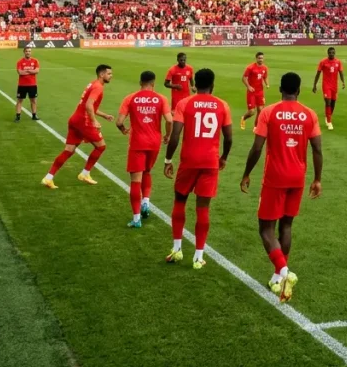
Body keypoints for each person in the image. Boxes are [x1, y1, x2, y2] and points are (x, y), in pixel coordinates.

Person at [240, 72, 323, 303]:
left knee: (266, 229)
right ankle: (278, 277)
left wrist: (246, 173)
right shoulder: (309, 114)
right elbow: (317, 149)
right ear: (298, 90)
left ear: (280, 89)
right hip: (298, 177)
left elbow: (257, 148)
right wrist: (317, 179)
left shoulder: (269, 112)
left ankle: (285, 272)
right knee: (286, 226)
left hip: (275, 177)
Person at [163, 68, 233, 270]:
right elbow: (228, 137)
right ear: (213, 84)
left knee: (180, 201)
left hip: (188, 161)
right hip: (210, 162)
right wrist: (224, 157)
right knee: (203, 208)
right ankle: (199, 256)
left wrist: (168, 159)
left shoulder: (185, 103)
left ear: (195, 85)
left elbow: (175, 135)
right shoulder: (222, 105)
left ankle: (176, 249)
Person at [41, 64, 114, 188]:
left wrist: (104, 115)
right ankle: (85, 174)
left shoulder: (92, 84)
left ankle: (48, 178)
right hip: (83, 122)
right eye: (109, 74)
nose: (111, 76)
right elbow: (89, 106)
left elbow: (89, 105)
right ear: (102, 74)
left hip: (75, 119)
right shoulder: (98, 87)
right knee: (101, 147)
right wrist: (94, 121)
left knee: (68, 150)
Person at [117, 71, 172, 228]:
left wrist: (123, 128)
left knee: (135, 180)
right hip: (154, 142)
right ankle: (146, 202)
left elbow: (119, 121)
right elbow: (169, 120)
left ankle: (136, 219)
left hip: (137, 143)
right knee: (147, 172)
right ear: (153, 83)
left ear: (140, 82)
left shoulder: (130, 98)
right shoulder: (161, 98)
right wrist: (167, 135)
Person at [312, 47, 345, 131]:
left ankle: (328, 115)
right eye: (330, 53)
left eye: (333, 53)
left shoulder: (338, 62)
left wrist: (343, 82)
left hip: (334, 85)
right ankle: (329, 122)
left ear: (335, 53)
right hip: (326, 85)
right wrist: (314, 85)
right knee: (328, 102)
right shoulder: (323, 62)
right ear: (327, 53)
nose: (331, 54)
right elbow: (318, 74)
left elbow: (341, 72)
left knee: (333, 103)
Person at [240, 52, 269, 132]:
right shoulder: (250, 68)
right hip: (251, 92)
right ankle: (244, 118)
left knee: (260, 109)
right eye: (259, 58)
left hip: (260, 92)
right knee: (252, 111)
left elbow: (265, 77)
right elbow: (244, 78)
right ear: (256, 59)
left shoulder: (265, 68)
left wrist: (267, 84)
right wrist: (249, 87)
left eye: (262, 58)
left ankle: (256, 126)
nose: (261, 60)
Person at [15, 46, 41, 121]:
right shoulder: (20, 62)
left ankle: (34, 115)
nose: (28, 52)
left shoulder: (35, 61)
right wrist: (31, 71)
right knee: (20, 100)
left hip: (32, 84)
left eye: (29, 51)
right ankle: (18, 116)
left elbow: (37, 71)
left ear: (31, 52)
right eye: (26, 51)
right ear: (24, 52)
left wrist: (26, 71)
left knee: (33, 100)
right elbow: (20, 72)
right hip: (22, 85)